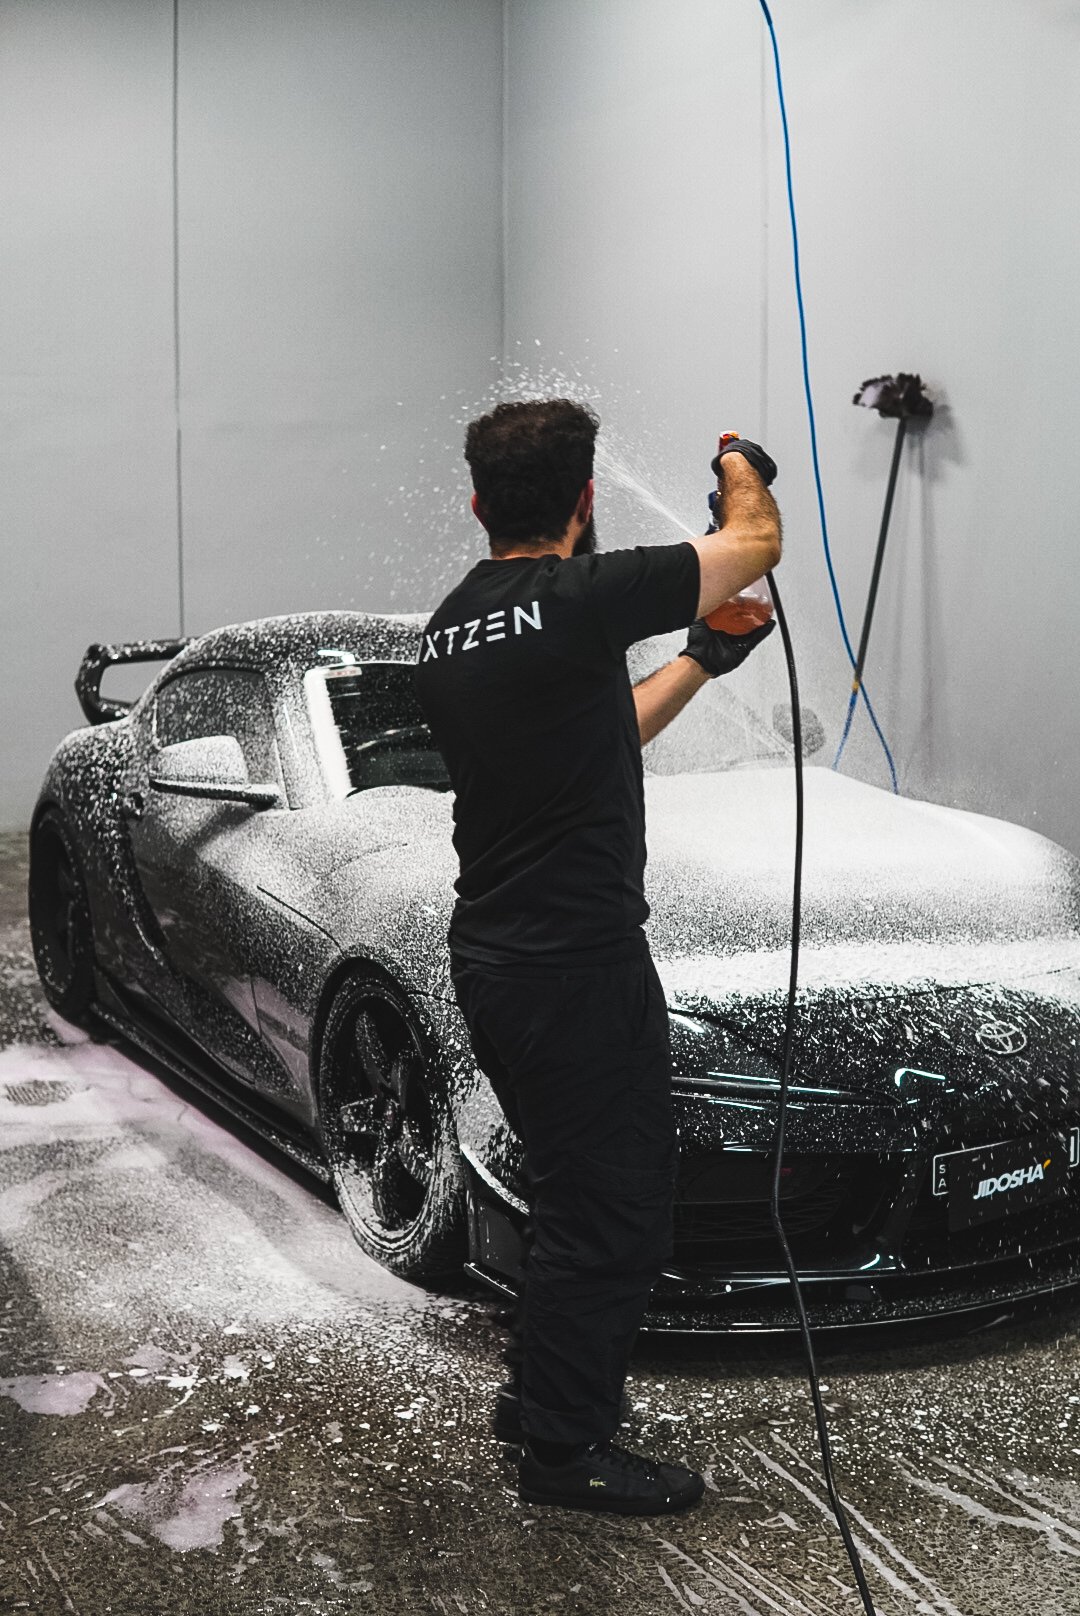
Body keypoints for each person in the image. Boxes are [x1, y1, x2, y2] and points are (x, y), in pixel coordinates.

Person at [414, 399, 781, 1515]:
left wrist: (703, 661)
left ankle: (537, 1399)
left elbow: (594, 735)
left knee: (576, 1192)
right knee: (613, 1214)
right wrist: (735, 462)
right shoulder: (583, 594)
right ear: (587, 501)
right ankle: (563, 1451)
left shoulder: (454, 623)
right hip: (575, 969)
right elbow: (754, 543)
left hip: (502, 963)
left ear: (479, 503)